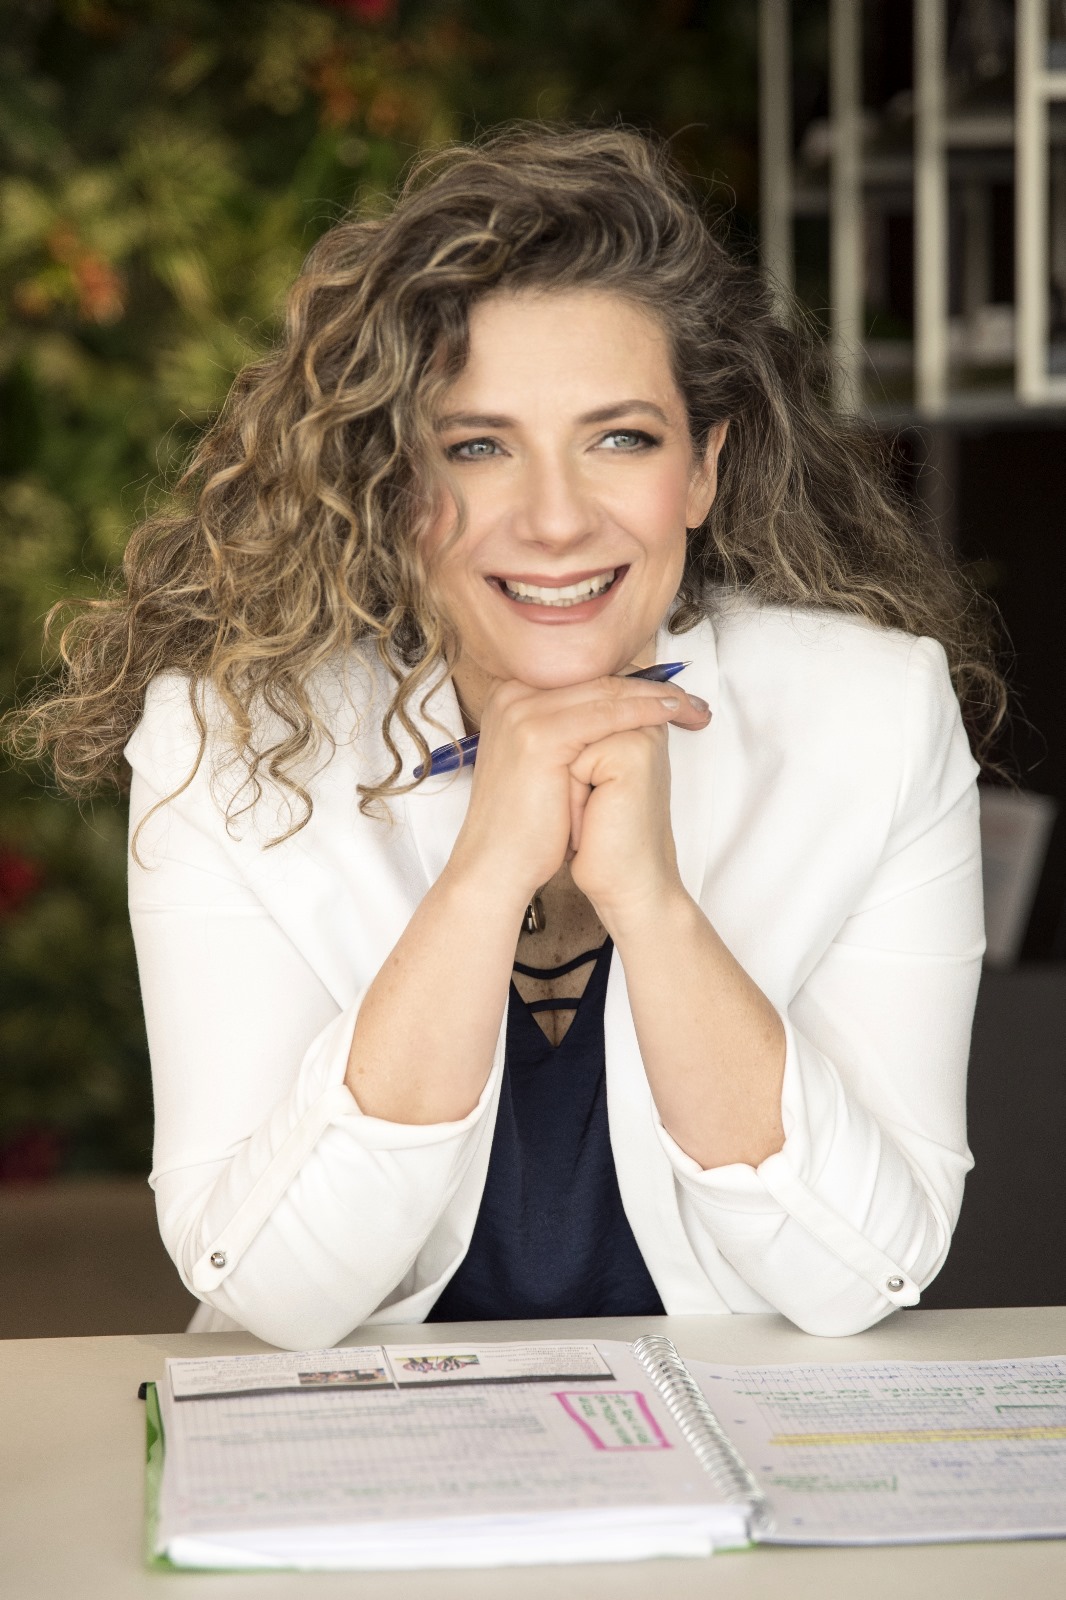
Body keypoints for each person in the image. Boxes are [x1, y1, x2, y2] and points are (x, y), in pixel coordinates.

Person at [10, 124, 1003, 1350]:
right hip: (359, 1442)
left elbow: (867, 1270)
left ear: (702, 469)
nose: (553, 519)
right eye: (477, 446)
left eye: (620, 438)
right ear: (395, 484)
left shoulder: (875, 716)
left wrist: (653, 907)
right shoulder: (226, 742)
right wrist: (482, 877)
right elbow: (270, 1287)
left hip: (728, 1442)